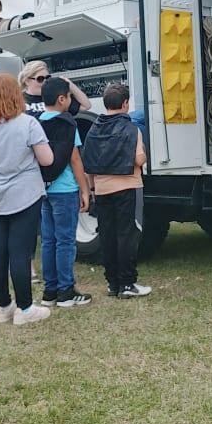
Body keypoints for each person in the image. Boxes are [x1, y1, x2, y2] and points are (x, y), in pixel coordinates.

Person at [0, 74, 54, 325]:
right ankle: (25, 309)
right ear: (17, 94)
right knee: (20, 252)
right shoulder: (28, 124)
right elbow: (47, 159)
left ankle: (3, 306)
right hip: (25, 194)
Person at [81, 82, 151, 299]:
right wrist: (145, 153)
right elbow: (139, 159)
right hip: (128, 186)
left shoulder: (94, 128)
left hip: (101, 189)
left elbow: (88, 162)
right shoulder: (131, 128)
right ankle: (128, 283)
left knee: (108, 235)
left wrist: (92, 188)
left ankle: (112, 283)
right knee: (127, 235)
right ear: (125, 103)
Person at [36, 77, 91, 308]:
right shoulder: (68, 123)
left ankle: (50, 291)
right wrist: (85, 190)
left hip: (42, 190)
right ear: (62, 99)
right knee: (66, 241)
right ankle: (66, 292)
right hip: (65, 189)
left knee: (48, 241)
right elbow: (75, 159)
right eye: (69, 96)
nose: (70, 101)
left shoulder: (35, 123)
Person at [19, 60, 91, 118]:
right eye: (40, 79)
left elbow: (86, 106)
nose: (45, 82)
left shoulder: (55, 95)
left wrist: (69, 84)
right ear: (27, 81)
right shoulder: (18, 100)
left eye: (47, 78)